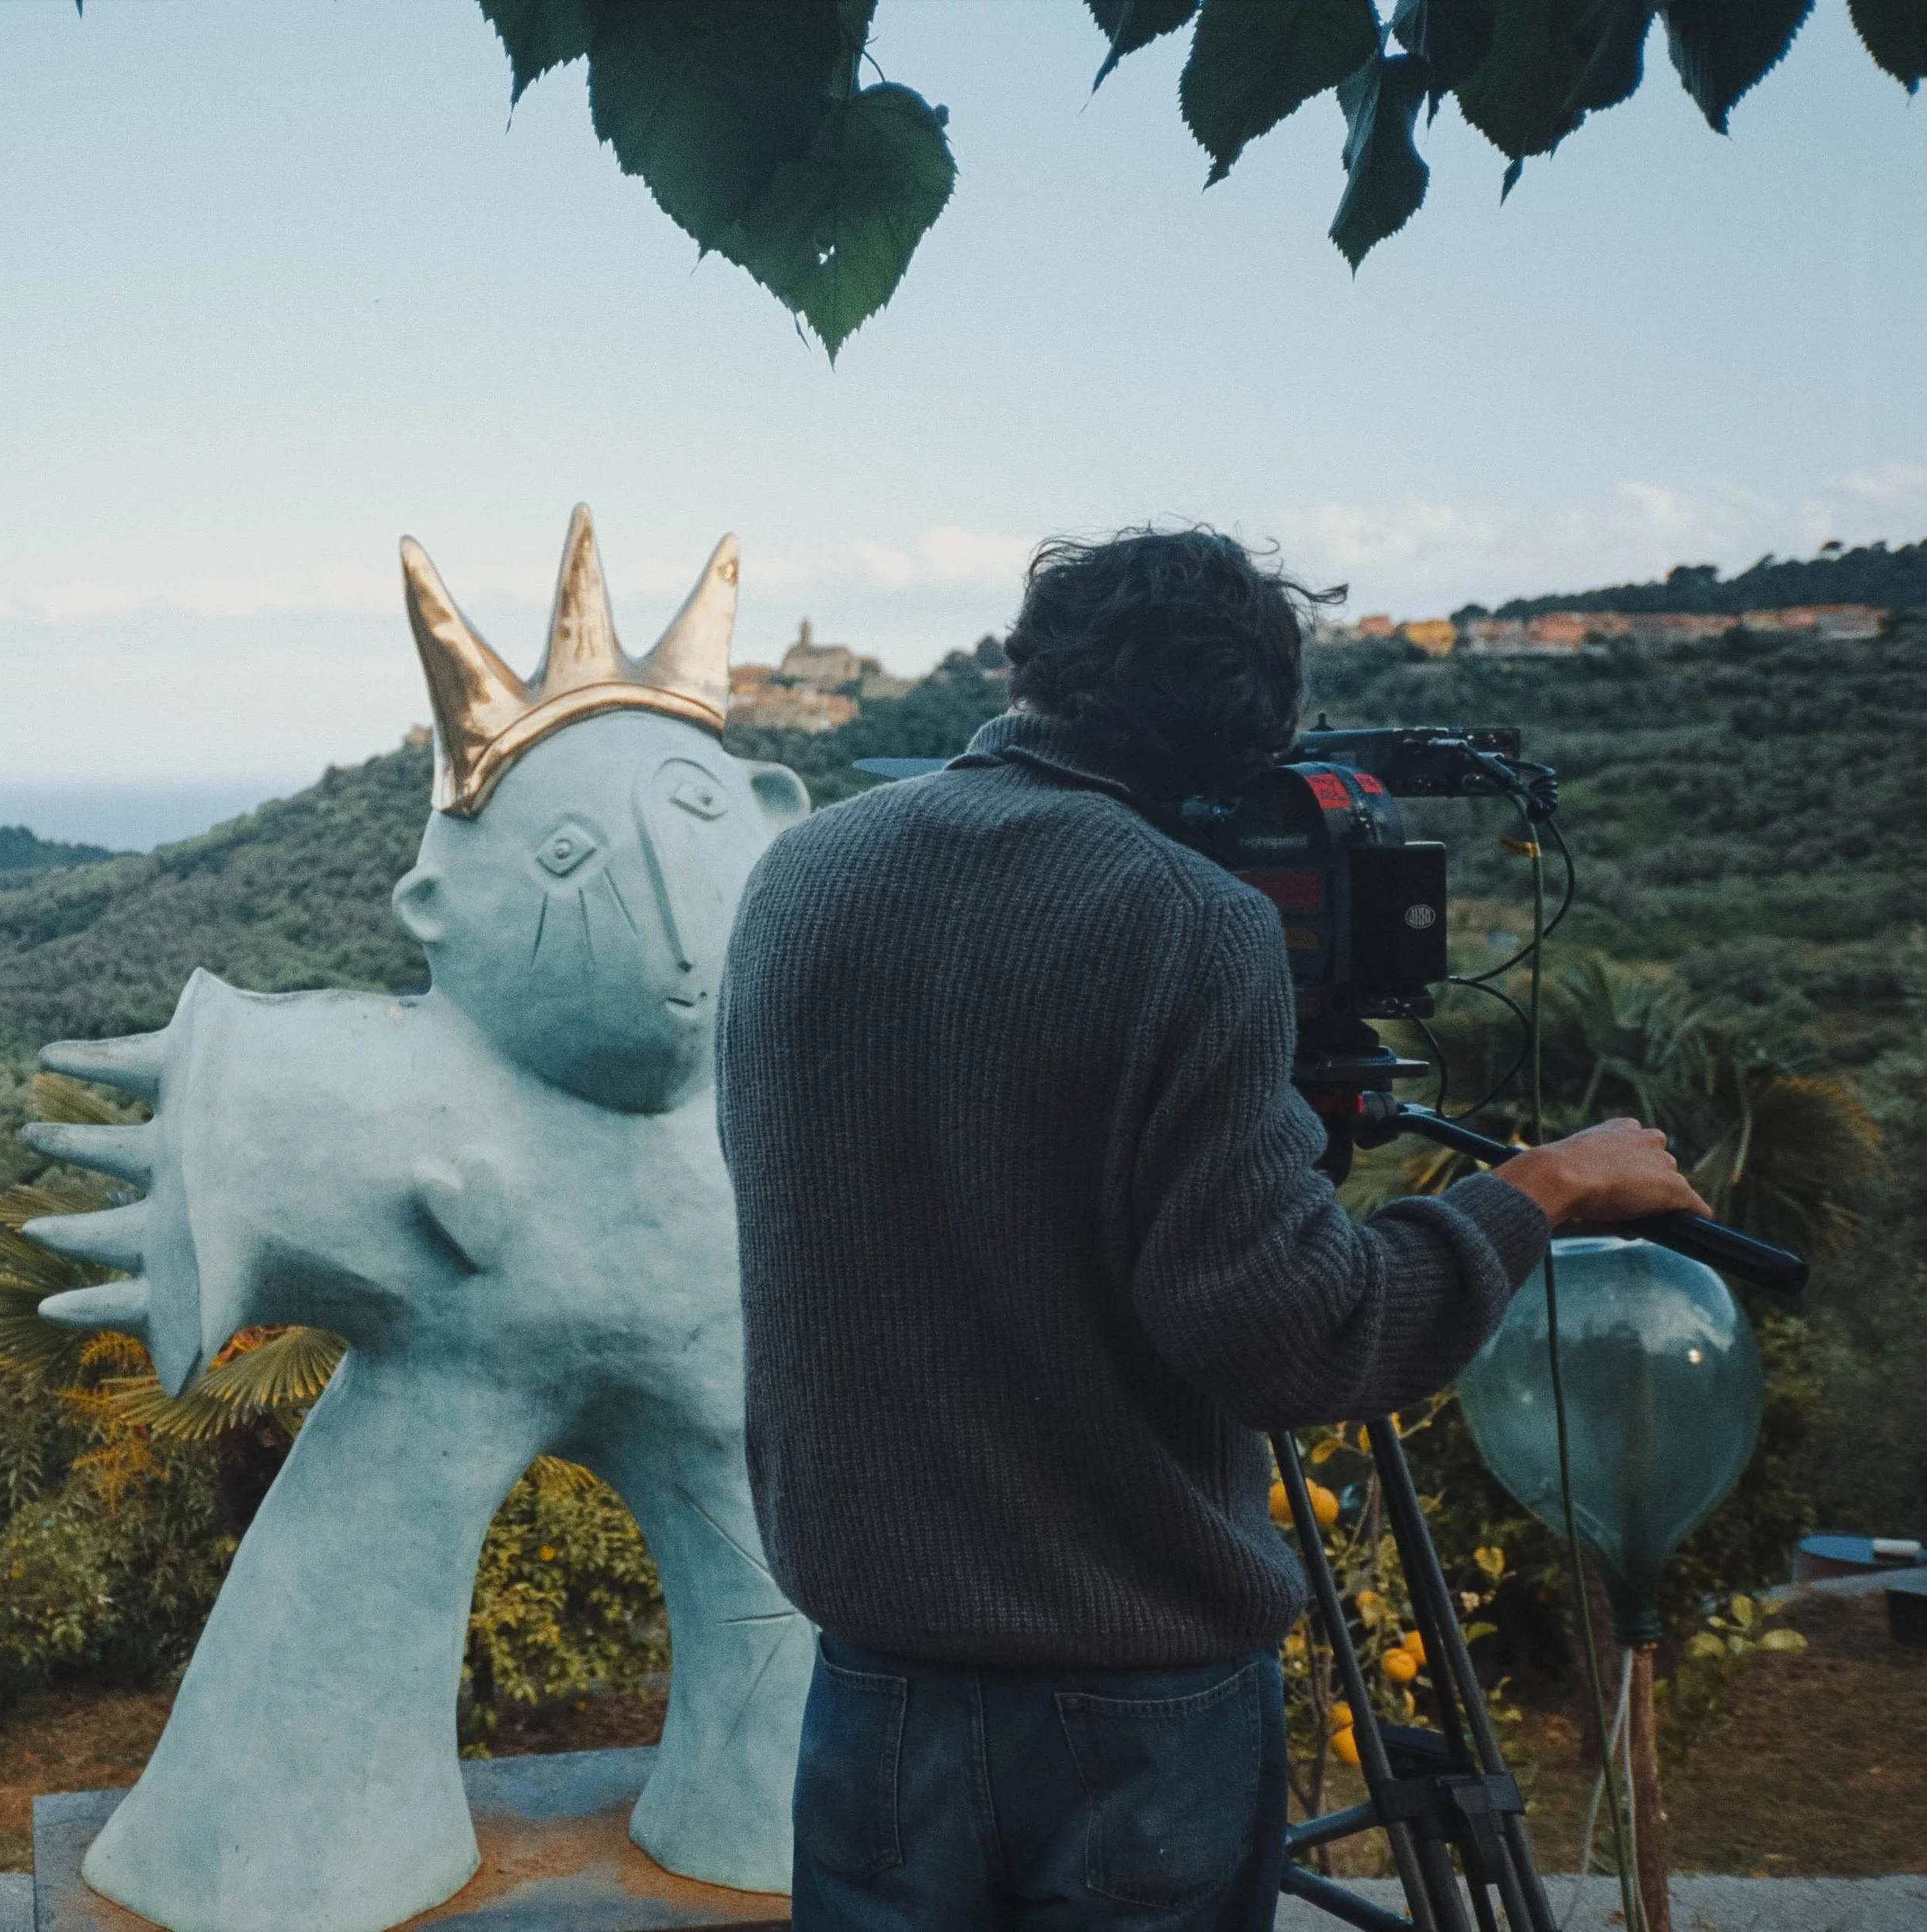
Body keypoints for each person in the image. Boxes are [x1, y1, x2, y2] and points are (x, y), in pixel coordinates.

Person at [715, 527, 1710, 1931]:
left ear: (1027, 668)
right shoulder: (1189, 918)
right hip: (1132, 1707)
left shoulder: (798, 874)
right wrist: (1539, 1188)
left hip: (872, 1685)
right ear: (1247, 738)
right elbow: (1301, 1340)